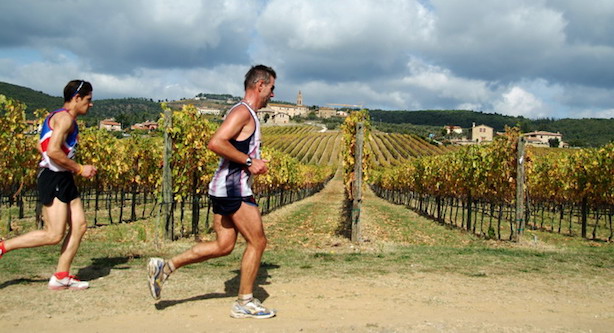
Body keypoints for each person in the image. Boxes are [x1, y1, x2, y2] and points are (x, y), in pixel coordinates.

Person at [148, 65, 276, 319]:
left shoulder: (246, 113)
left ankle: (166, 266)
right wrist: (250, 162)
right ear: (259, 85)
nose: (272, 94)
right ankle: (244, 302)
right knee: (258, 242)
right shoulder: (242, 112)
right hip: (232, 189)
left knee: (223, 245)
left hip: (225, 187)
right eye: (271, 88)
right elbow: (215, 142)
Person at [0, 80, 97, 290]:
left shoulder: (59, 117)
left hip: (62, 177)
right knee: (53, 234)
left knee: (79, 226)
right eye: (88, 100)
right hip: (53, 177)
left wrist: (64, 167)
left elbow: (41, 145)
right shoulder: (64, 119)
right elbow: (53, 150)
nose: (91, 104)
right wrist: (79, 168)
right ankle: (2, 247)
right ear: (76, 98)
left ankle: (62, 275)